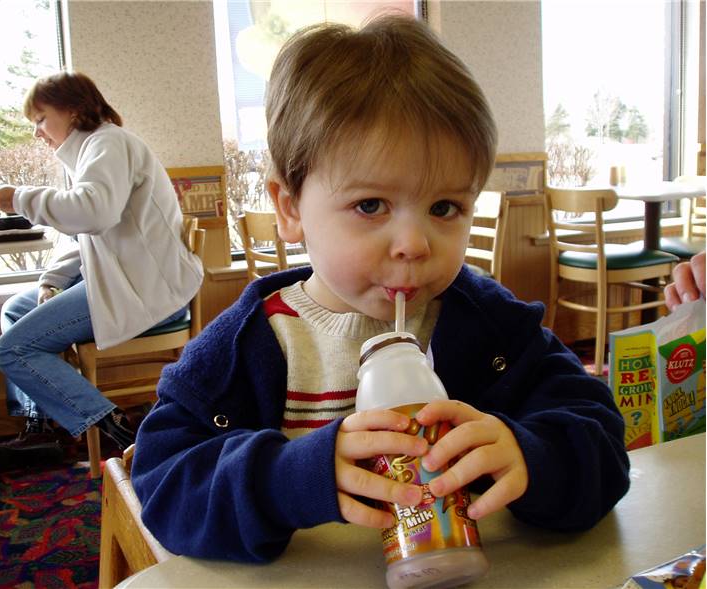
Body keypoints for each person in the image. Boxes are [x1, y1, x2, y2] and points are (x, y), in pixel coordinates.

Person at [131, 15, 630, 561]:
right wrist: (289, 478)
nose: (414, 244)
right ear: (290, 208)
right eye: (370, 205)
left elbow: (604, 442)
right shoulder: (247, 346)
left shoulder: (493, 328)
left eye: (446, 208)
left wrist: (531, 455)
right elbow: (162, 485)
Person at [0, 71, 204, 469]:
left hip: (144, 289)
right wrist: (52, 281)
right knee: (16, 308)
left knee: (13, 348)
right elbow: (88, 237)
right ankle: (40, 431)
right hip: (122, 280)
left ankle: (115, 425)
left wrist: (19, 197)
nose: (37, 133)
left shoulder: (108, 143)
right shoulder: (90, 151)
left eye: (41, 119)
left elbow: (93, 213)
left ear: (74, 110)